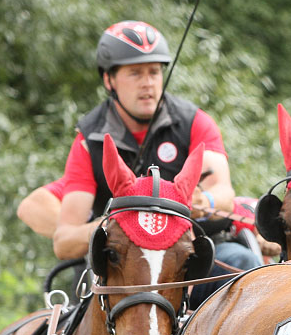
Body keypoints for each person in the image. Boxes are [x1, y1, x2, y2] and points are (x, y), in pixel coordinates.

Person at [52, 20, 260, 306]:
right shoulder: (89, 140)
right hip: (122, 266)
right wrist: (115, 224)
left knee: (242, 262)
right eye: (135, 73)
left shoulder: (194, 122)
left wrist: (205, 199)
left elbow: (224, 195)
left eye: (154, 72)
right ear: (109, 80)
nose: (148, 82)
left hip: (187, 260)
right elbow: (64, 241)